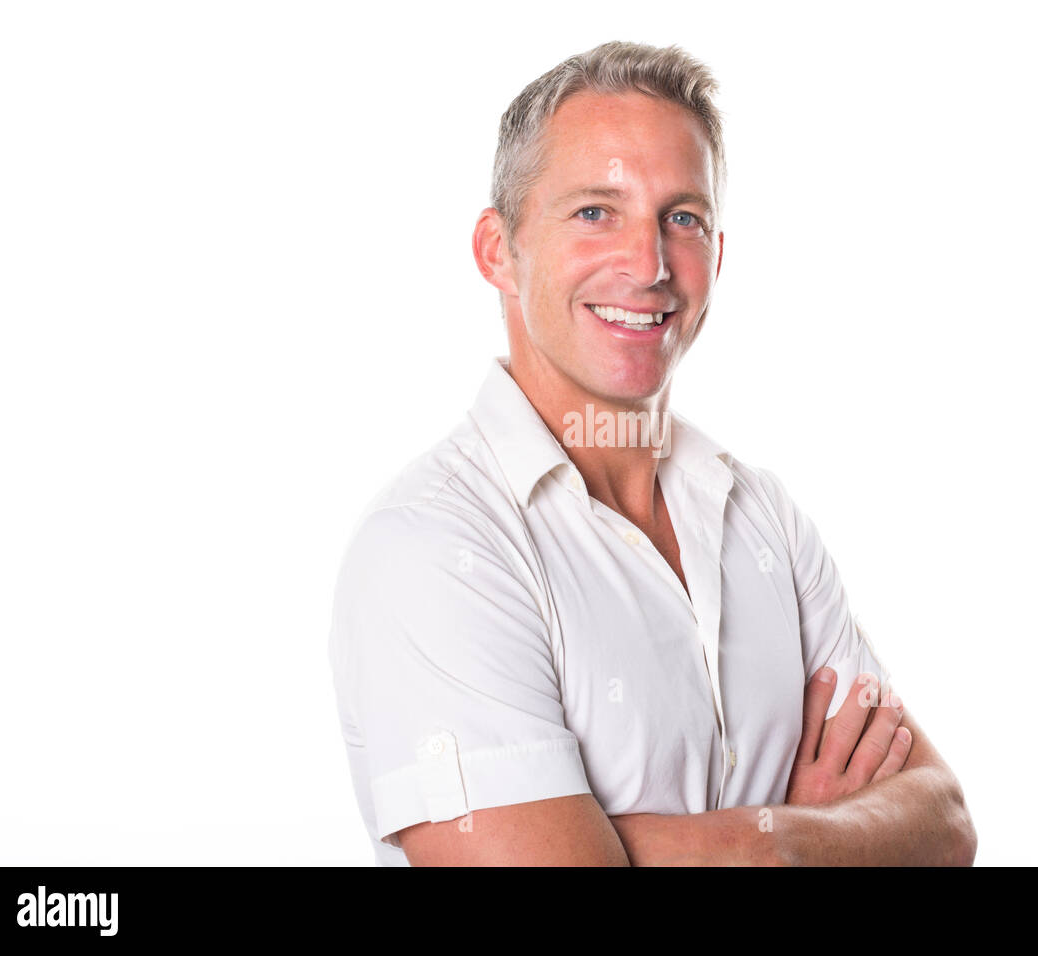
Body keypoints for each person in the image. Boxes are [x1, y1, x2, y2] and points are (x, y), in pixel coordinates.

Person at [327, 40, 977, 866]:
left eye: (683, 218)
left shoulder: (762, 517)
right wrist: (805, 842)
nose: (647, 264)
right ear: (499, 250)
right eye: (595, 211)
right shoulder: (433, 550)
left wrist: (761, 847)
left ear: (717, 255)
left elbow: (945, 821)